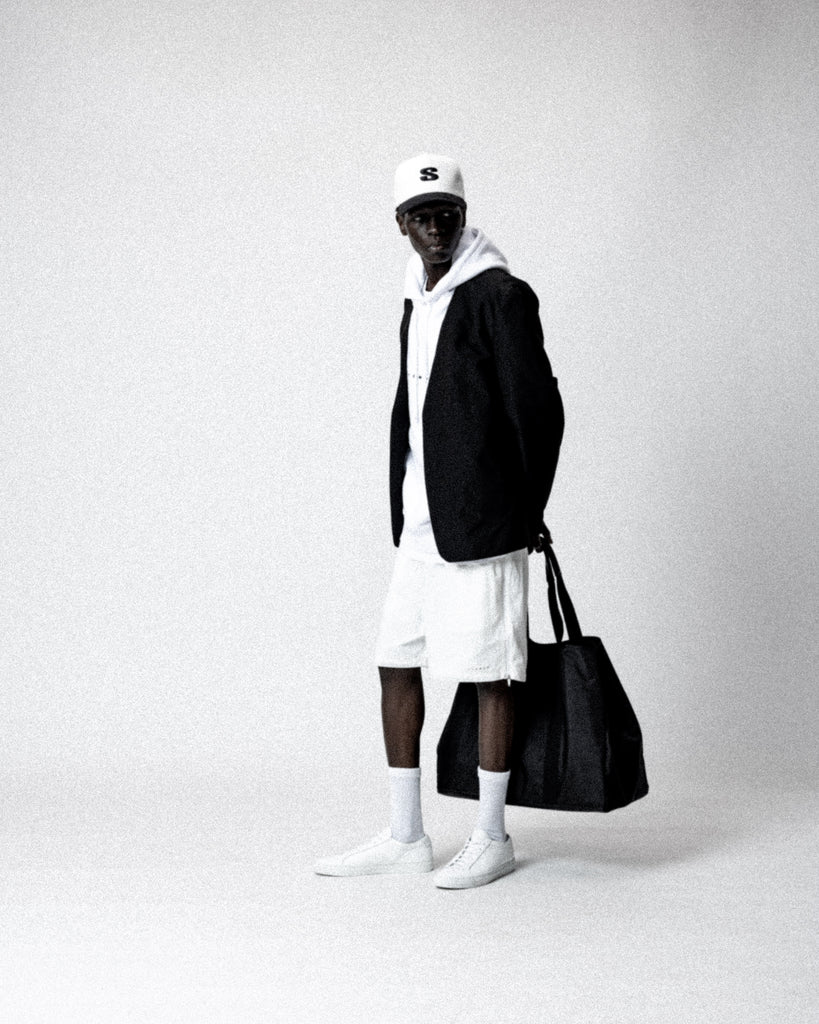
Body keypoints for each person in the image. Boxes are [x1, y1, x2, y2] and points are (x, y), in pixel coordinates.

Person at [315, 154, 563, 888]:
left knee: (489, 675)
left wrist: (525, 510)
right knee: (395, 662)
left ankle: (492, 837)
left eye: (446, 215)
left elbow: (539, 413)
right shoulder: (415, 297)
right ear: (400, 224)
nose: (435, 229)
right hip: (422, 525)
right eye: (421, 217)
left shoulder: (499, 295)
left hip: (484, 526)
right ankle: (405, 836)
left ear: (463, 216)